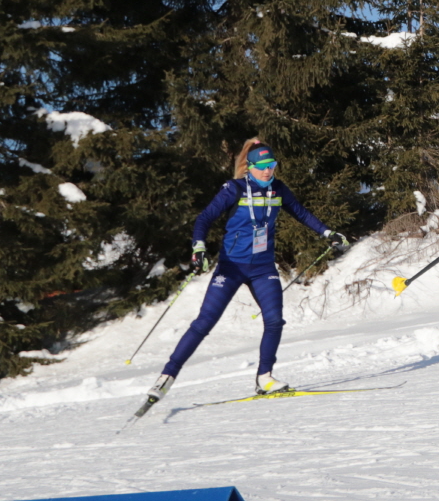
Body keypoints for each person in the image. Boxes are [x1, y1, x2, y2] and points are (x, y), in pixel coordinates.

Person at [143, 139, 346, 406]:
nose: (268, 170)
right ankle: (166, 377)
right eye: (262, 166)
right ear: (250, 167)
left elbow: (302, 213)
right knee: (204, 322)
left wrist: (328, 233)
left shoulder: (278, 189)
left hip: (263, 268)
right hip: (232, 266)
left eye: (271, 165)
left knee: (274, 320)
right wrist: (199, 247)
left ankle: (265, 378)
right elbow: (204, 218)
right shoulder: (234, 188)